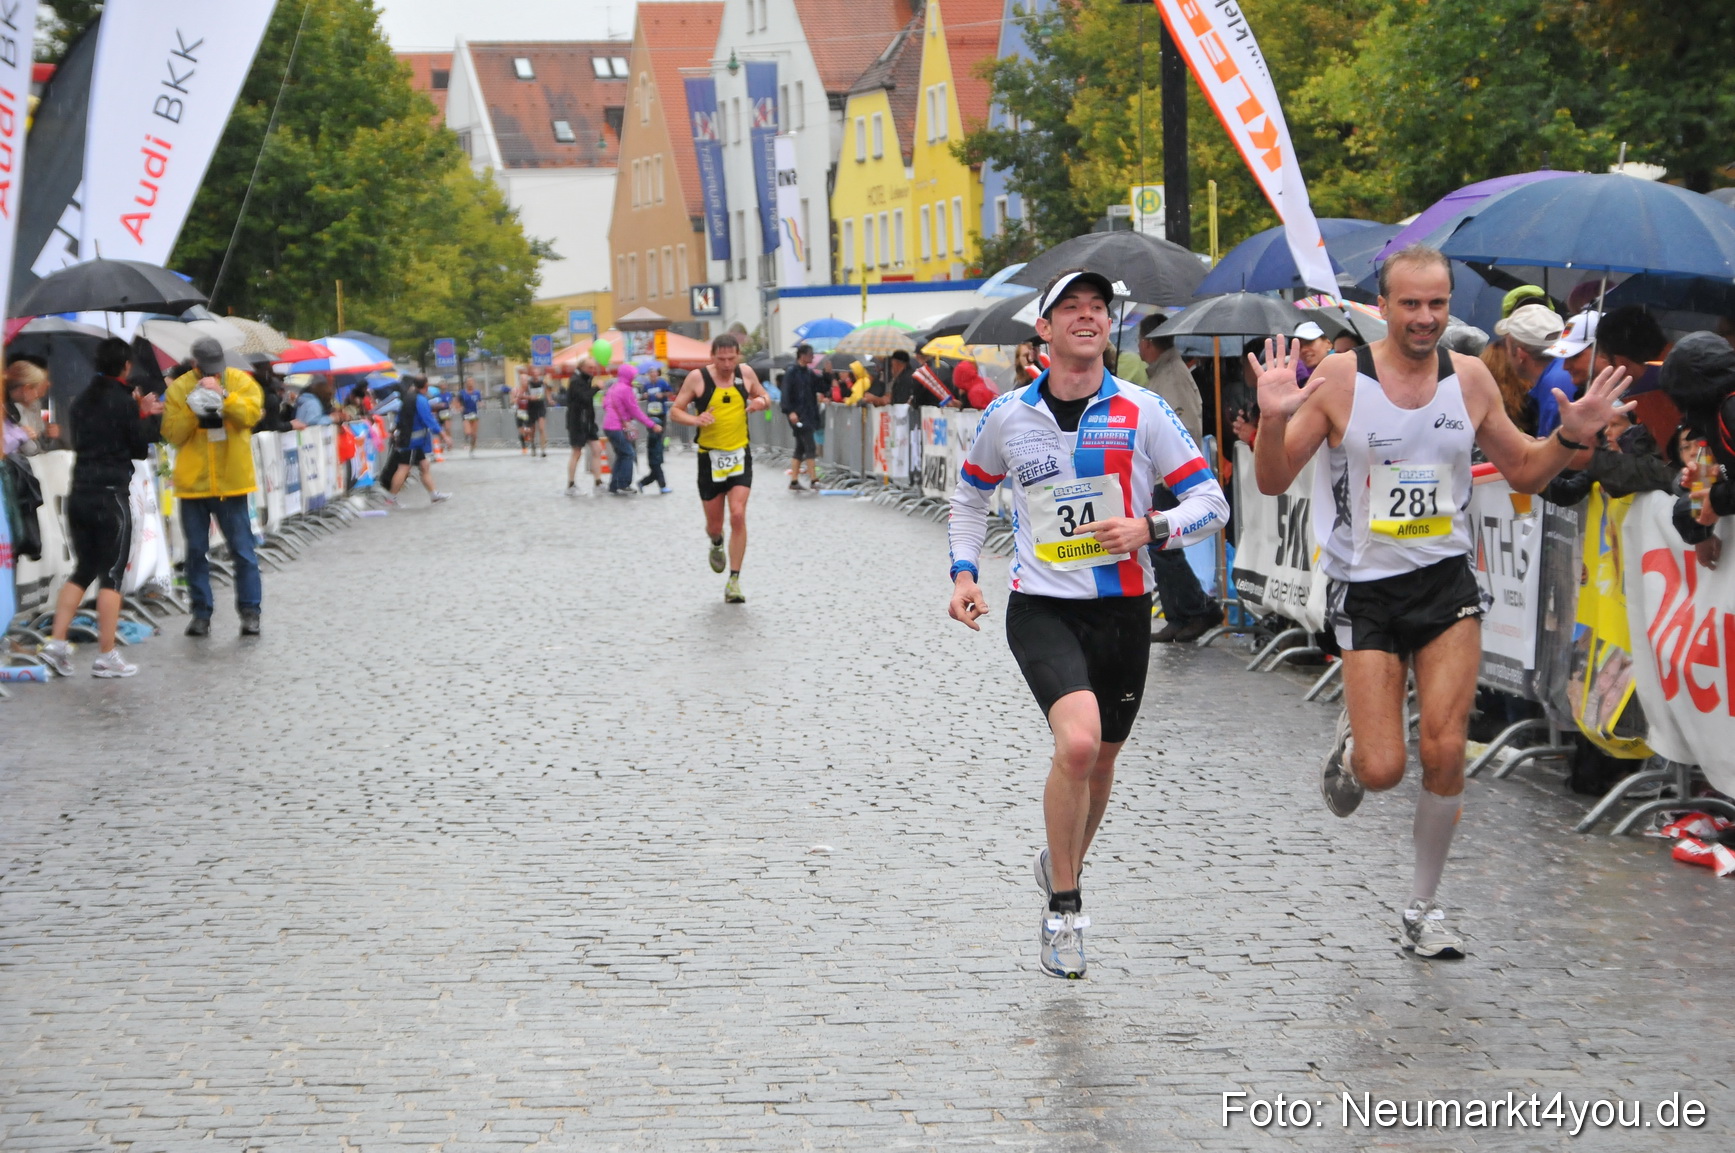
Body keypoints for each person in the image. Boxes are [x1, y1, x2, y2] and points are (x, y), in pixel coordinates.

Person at [1249, 246, 1631, 959]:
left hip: (1446, 584)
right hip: (1366, 590)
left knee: (1446, 749)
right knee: (1383, 768)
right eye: (1410, 304)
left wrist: (1569, 436)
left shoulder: (1472, 378)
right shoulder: (1340, 377)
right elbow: (1272, 479)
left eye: (1436, 304)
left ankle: (1423, 909)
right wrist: (1272, 420)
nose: (1424, 318)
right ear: (1384, 307)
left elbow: (1523, 468)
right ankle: (1354, 745)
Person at [946, 268, 1229, 979]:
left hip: (1123, 611)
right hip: (1041, 607)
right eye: (1068, 307)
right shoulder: (1009, 414)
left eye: (1096, 307)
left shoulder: (1141, 410)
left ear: (1109, 325)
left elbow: (1211, 502)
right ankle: (1064, 908)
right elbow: (970, 496)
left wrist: (1152, 525)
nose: (1085, 316)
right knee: (1074, 745)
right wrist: (962, 571)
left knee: (1100, 759)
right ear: (1042, 330)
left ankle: (1059, 859)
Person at [35, 339, 164, 678]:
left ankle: (56, 643)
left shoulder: (81, 401)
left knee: (83, 568)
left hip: (80, 492)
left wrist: (133, 406)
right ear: (125, 367)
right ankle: (107, 653)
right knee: (112, 574)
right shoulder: (123, 402)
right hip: (111, 496)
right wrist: (144, 414)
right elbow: (138, 447)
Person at [163, 336, 267, 638]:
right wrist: (191, 408)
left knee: (242, 551)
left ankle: (250, 613)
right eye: (206, 368)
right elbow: (172, 434)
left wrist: (223, 396)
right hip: (193, 486)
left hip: (231, 482)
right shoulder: (179, 387)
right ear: (194, 363)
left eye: (217, 368)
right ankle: (200, 614)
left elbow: (250, 417)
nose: (212, 372)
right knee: (195, 552)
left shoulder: (240, 382)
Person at [1134, 314, 1219, 642]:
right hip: (1161, 476)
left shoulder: (1171, 376)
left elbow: (1184, 431)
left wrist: (1172, 476)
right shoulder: (1165, 374)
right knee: (1162, 548)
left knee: (1163, 548)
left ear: (1148, 343)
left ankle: (1196, 610)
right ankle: (1183, 612)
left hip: (1166, 478)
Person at [669, 334, 770, 603]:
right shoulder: (697, 378)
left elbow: (764, 395)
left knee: (737, 514)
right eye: (721, 358)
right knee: (714, 525)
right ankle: (716, 542)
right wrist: (695, 419)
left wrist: (760, 402)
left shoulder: (745, 374)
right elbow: (675, 411)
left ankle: (734, 581)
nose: (726, 364)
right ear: (712, 356)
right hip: (709, 459)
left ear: (738, 356)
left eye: (731, 358)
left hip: (739, 455)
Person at [386, 377, 451, 504]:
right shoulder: (420, 400)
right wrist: (444, 435)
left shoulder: (408, 398)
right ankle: (391, 498)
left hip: (410, 440)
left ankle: (434, 495)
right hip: (412, 442)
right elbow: (429, 420)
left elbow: (399, 417)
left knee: (424, 465)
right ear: (426, 386)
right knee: (404, 468)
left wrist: (394, 430)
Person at [603, 364, 661, 495]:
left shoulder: (614, 387)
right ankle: (623, 484)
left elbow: (605, 404)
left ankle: (614, 485)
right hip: (617, 426)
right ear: (628, 375)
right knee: (628, 454)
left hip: (608, 425)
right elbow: (635, 411)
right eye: (632, 374)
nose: (634, 376)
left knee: (622, 454)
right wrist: (652, 424)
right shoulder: (626, 389)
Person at [780, 344, 826, 489]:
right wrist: (790, 411)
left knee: (800, 447)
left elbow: (821, 387)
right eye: (810, 354)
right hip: (798, 415)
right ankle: (814, 480)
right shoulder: (792, 372)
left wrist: (827, 375)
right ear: (802, 355)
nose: (812, 357)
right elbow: (785, 393)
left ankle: (794, 480)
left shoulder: (809, 373)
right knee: (810, 446)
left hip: (809, 414)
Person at [565, 358, 607, 494]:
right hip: (577, 422)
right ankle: (570, 484)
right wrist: (596, 388)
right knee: (576, 452)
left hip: (588, 422)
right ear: (582, 367)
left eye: (593, 367)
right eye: (589, 367)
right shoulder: (575, 381)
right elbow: (584, 398)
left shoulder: (586, 379)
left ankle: (598, 482)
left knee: (597, 449)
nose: (592, 370)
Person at [637, 366, 675, 493]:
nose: (652, 375)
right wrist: (645, 395)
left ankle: (658, 454)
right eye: (650, 373)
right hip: (651, 415)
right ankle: (658, 481)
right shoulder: (646, 385)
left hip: (661, 414)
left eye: (654, 373)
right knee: (654, 439)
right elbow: (641, 396)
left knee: (658, 437)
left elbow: (670, 393)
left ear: (657, 374)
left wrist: (662, 395)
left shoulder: (662, 382)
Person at [516, 367, 550, 456]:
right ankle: (533, 445)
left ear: (539, 374)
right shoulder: (528, 384)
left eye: (537, 373)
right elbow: (519, 395)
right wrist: (530, 397)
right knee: (532, 430)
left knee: (542, 428)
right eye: (534, 373)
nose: (535, 375)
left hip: (541, 407)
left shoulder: (543, 383)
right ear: (531, 374)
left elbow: (547, 393)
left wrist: (550, 400)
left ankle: (543, 450)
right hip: (531, 408)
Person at [457, 377, 483, 455]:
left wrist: (481, 404)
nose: (470, 383)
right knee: (468, 432)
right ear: (466, 383)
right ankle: (466, 440)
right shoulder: (462, 393)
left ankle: (472, 448)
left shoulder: (477, 393)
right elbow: (457, 402)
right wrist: (459, 407)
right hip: (466, 415)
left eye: (472, 382)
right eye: (468, 382)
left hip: (474, 415)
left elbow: (480, 401)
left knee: (474, 435)